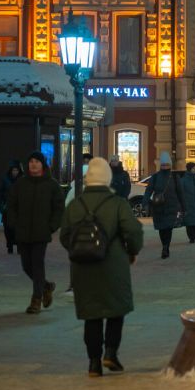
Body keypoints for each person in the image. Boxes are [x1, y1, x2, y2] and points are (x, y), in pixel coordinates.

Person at [58, 157, 144, 377]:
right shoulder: (117, 204)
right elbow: (133, 232)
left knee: (91, 314)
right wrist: (131, 251)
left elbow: (65, 235)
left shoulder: (76, 204)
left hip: (83, 267)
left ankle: (93, 363)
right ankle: (111, 353)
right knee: (116, 310)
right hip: (113, 264)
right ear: (107, 178)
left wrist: (78, 250)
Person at [6, 151, 64, 314]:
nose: (33, 164)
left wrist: (51, 226)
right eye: (31, 161)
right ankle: (46, 286)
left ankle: (36, 299)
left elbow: (59, 208)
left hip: (41, 232)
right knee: (26, 266)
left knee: (37, 265)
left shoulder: (52, 185)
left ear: (42, 165)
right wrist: (14, 224)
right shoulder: (20, 184)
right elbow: (11, 205)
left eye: (37, 161)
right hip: (23, 231)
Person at [144, 157, 183, 259]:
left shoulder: (175, 177)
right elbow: (148, 191)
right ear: (160, 165)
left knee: (168, 228)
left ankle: (166, 247)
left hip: (171, 207)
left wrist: (184, 206)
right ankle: (164, 245)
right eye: (163, 165)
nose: (165, 166)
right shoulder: (155, 177)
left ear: (170, 165)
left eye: (167, 164)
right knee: (162, 229)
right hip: (158, 207)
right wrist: (145, 203)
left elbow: (180, 193)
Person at [0, 160, 23, 254]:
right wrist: (1, 206)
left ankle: (19, 246)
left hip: (19, 209)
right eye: (13, 170)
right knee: (7, 229)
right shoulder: (5, 180)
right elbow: (0, 193)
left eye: (16, 170)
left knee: (18, 229)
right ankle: (10, 245)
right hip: (7, 209)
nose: (15, 172)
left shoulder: (22, 180)